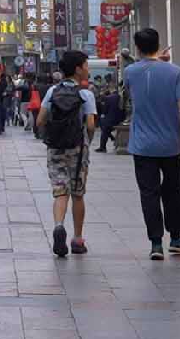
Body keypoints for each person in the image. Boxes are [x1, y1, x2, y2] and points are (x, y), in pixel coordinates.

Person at [126, 27, 180, 261]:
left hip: (142, 145)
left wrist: (154, 60)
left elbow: (139, 83)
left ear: (138, 47)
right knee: (173, 191)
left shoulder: (130, 72)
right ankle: (176, 239)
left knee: (148, 193)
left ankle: (155, 244)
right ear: (158, 44)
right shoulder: (175, 72)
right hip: (170, 144)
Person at [40, 51, 98, 257]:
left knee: (60, 191)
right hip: (78, 150)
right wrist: (88, 140)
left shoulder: (52, 91)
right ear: (77, 69)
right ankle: (77, 238)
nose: (88, 69)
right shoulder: (86, 94)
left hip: (55, 149)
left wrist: (49, 136)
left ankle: (58, 225)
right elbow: (91, 124)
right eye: (86, 65)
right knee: (77, 193)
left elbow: (40, 121)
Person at [96, 82, 124, 153]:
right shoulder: (119, 97)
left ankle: (102, 147)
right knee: (105, 127)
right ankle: (111, 137)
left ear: (110, 89)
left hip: (111, 120)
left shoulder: (108, 98)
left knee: (104, 127)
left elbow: (105, 111)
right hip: (120, 119)